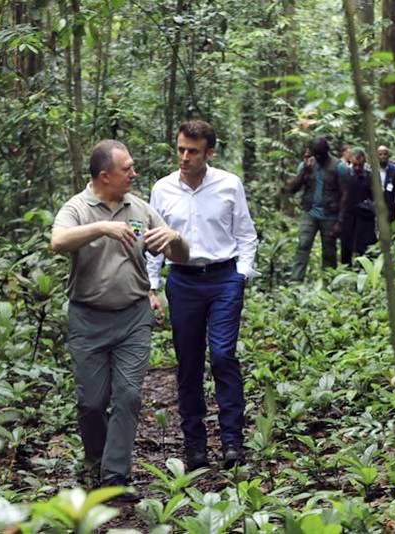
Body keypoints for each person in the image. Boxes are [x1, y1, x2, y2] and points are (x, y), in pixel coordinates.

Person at [51, 139, 189, 501]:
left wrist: (175, 239)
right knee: (92, 404)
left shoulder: (139, 209)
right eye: (127, 168)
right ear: (104, 175)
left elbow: (181, 255)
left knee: (127, 396)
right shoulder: (78, 207)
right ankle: (96, 460)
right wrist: (102, 228)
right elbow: (58, 241)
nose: (134, 173)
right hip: (88, 320)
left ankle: (115, 477)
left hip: (133, 318)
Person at [147, 120, 258, 471]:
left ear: (209, 152)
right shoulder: (162, 189)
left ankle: (232, 444)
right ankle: (195, 446)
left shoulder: (228, 184)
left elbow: (246, 234)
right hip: (182, 281)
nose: (184, 157)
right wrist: (151, 287)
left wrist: (241, 274)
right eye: (180, 149)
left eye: (192, 151)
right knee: (189, 364)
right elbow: (153, 242)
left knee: (224, 356)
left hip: (224, 278)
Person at [288, 137, 348, 281]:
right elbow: (292, 188)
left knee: (329, 250)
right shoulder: (307, 164)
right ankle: (296, 280)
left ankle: (329, 282)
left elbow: (345, 195)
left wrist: (340, 221)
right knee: (303, 244)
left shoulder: (338, 167)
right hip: (309, 211)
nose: (318, 157)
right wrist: (304, 170)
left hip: (330, 214)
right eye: (316, 154)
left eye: (321, 153)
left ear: (327, 150)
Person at [339, 148, 377, 265]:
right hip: (348, 216)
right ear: (351, 161)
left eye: (360, 166)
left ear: (364, 162)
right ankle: (346, 270)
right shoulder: (346, 176)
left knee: (365, 246)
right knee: (346, 245)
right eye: (355, 165)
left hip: (365, 217)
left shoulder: (370, 177)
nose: (357, 168)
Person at [377, 145, 395, 224]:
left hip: (390, 210)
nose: (383, 156)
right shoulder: (371, 170)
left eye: (385, 154)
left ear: (388, 155)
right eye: (380, 154)